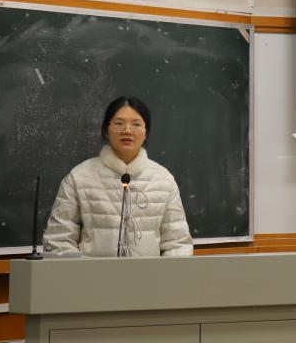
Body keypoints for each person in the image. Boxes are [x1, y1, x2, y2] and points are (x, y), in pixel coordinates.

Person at [43, 96, 193, 257]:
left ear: (146, 133)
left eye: (136, 124)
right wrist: (84, 272)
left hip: (150, 273)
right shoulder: (79, 177)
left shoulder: (164, 180)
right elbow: (59, 240)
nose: (127, 130)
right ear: (106, 130)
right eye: (119, 123)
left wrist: (161, 273)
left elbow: (178, 244)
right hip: (91, 273)